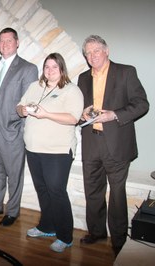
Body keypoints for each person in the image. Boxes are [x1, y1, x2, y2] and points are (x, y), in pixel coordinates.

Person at [78, 35, 149, 256]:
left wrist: (114, 115)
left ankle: (118, 239)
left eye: (96, 51)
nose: (92, 56)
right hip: (91, 142)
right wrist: (82, 115)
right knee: (93, 191)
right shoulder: (82, 78)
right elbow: (82, 110)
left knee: (117, 194)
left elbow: (142, 104)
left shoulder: (126, 72)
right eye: (88, 53)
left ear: (106, 50)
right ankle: (96, 232)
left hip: (117, 144)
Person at [16, 53, 83, 253]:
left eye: (54, 67)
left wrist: (45, 114)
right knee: (43, 189)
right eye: (47, 66)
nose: (50, 70)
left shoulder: (71, 90)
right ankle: (47, 226)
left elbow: (73, 118)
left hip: (58, 151)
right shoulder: (34, 86)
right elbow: (20, 106)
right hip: (33, 149)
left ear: (62, 69)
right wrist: (23, 110)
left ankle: (65, 236)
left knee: (56, 191)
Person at [0, 27, 38, 227]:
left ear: (17, 42)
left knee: (14, 174)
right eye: (1, 41)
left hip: (12, 130)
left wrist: (21, 130)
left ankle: (12, 211)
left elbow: (29, 101)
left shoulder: (27, 69)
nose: (4, 44)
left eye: (9, 41)